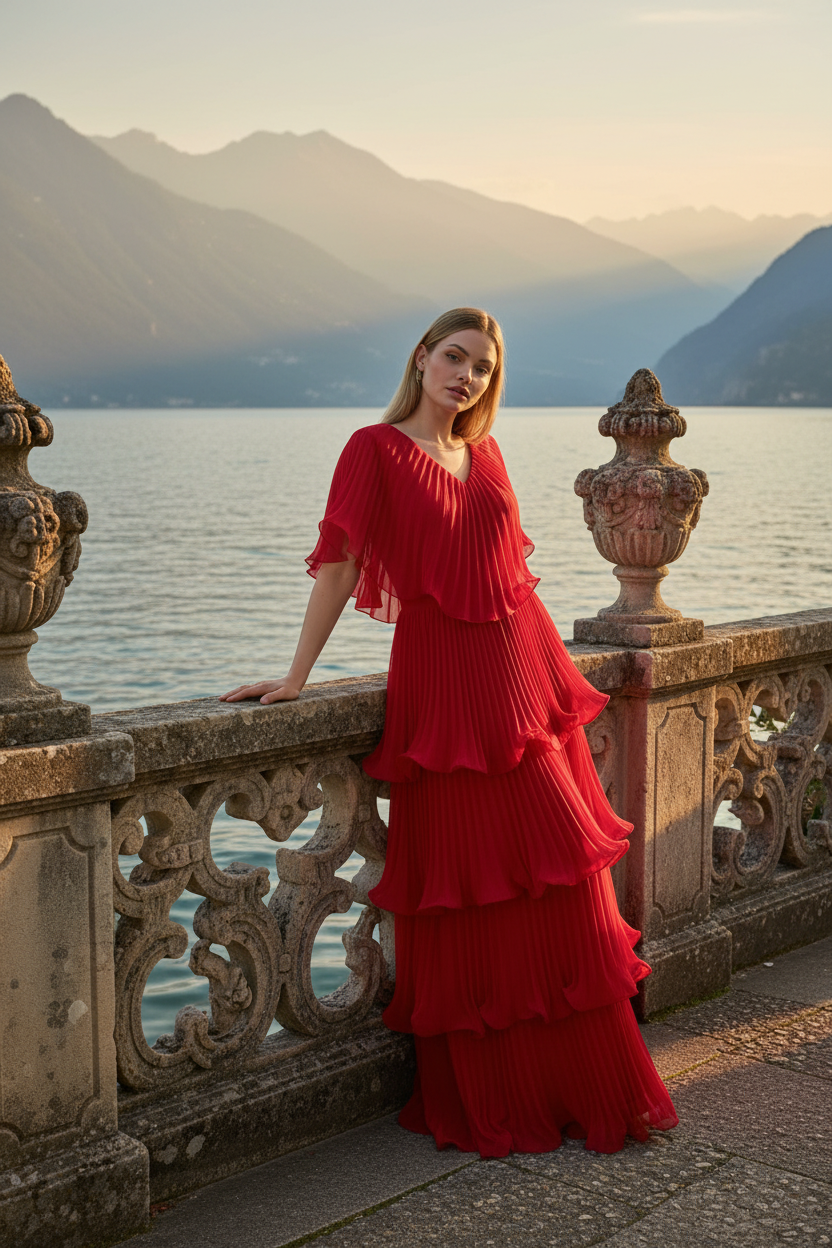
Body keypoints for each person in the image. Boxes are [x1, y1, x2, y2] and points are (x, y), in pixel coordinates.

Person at [221, 307, 678, 1157]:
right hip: (445, 691)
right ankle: (499, 1093)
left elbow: (508, 576)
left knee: (562, 885)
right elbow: (340, 564)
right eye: (455, 357)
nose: (467, 376)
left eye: (483, 367)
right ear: (422, 357)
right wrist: (296, 676)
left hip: (525, 680)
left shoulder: (486, 453)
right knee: (470, 895)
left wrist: (549, 690)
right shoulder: (373, 449)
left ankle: (583, 1082)